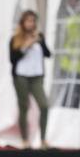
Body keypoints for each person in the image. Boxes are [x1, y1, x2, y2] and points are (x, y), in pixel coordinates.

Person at [9, 10, 51, 148]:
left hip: (36, 76)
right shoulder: (16, 39)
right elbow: (13, 59)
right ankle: (25, 140)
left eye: (33, 21)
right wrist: (26, 45)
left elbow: (48, 54)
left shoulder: (39, 37)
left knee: (44, 105)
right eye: (28, 21)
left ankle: (43, 140)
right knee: (24, 107)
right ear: (23, 23)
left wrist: (40, 41)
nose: (31, 23)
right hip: (21, 76)